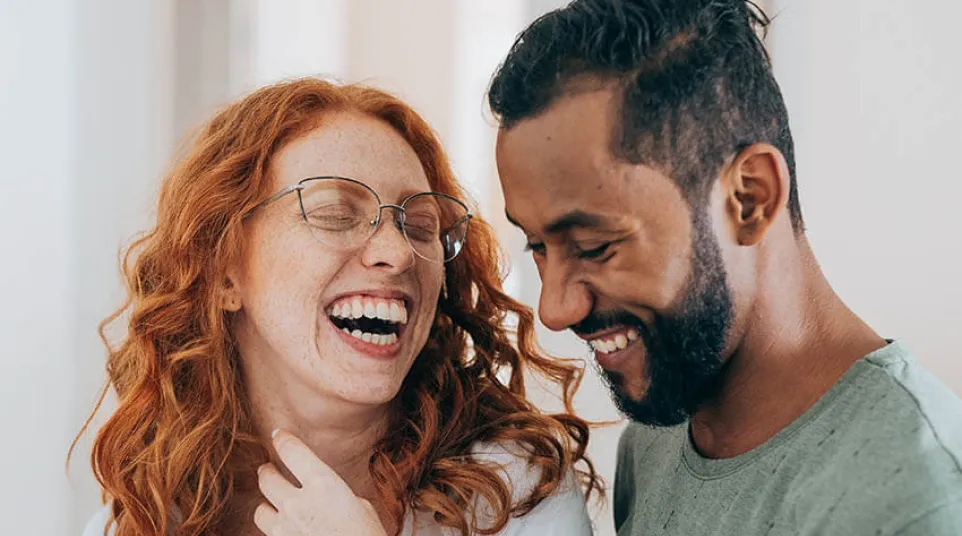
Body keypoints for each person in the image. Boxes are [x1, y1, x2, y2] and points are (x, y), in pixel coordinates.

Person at [487, 0, 962, 534]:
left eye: (595, 246)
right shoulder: (655, 441)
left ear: (750, 199)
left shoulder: (916, 499)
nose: (554, 309)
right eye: (537, 246)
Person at [74, 78, 600, 536]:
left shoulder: (513, 492)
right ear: (224, 270)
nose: (397, 254)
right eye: (334, 213)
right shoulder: (142, 516)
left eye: (420, 225)